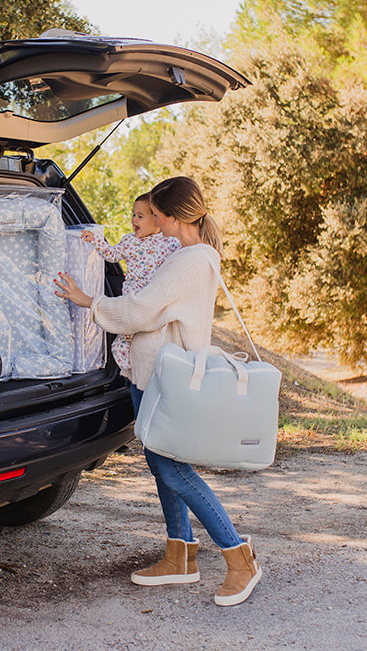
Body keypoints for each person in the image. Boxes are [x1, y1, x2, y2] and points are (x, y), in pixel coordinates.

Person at [54, 176, 261, 607]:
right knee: (159, 463)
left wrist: (88, 301)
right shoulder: (188, 253)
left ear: (172, 217)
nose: (155, 223)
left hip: (168, 383)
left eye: (159, 215)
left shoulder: (190, 261)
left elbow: (140, 311)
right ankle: (179, 556)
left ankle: (240, 558)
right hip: (148, 376)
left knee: (174, 470)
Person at [79, 192, 180, 377]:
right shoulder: (129, 241)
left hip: (155, 303)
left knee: (155, 339)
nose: (134, 219)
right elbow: (111, 255)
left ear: (157, 219)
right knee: (122, 344)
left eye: (140, 216)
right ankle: (130, 373)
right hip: (131, 302)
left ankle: (152, 370)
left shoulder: (171, 243)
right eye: (133, 214)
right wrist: (95, 240)